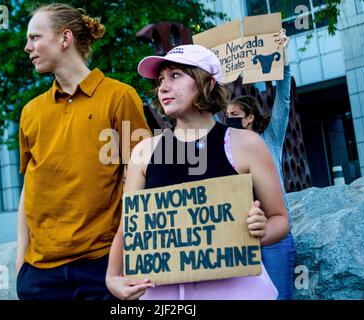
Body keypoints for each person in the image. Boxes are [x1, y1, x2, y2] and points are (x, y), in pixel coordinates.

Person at [105, 44, 289, 300]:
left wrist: (261, 230)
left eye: (176, 76)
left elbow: (279, 218)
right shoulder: (145, 151)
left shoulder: (245, 144)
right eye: (160, 80)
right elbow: (130, 224)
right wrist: (113, 276)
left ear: (209, 83)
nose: (163, 87)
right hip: (162, 295)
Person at [16, 3, 150, 300]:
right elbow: (29, 190)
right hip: (39, 275)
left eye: (35, 37)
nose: (27, 47)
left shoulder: (120, 97)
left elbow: (138, 182)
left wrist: (128, 258)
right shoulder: (30, 112)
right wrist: (19, 267)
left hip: (102, 267)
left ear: (65, 39)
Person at [226, 29, 296, 300]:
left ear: (249, 118)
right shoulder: (225, 145)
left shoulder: (271, 138)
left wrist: (284, 60)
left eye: (235, 115)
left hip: (275, 239)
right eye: (226, 114)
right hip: (241, 240)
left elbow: (284, 100)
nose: (228, 118)